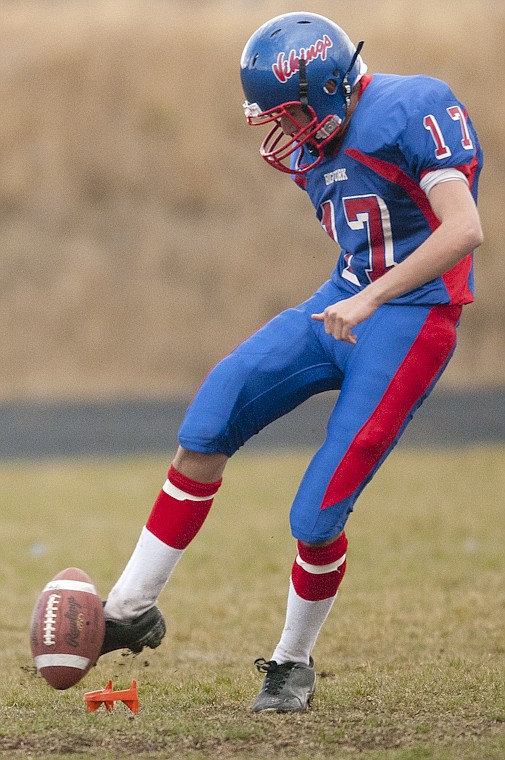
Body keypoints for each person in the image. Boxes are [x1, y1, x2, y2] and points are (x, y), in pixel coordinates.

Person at [99, 12, 483, 713]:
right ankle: (129, 607)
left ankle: (291, 662)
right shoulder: (319, 144)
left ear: (332, 84)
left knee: (315, 513)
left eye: (294, 111)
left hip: (412, 316)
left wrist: (371, 299)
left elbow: (463, 229)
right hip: (344, 299)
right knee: (214, 410)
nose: (288, 130)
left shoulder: (410, 105)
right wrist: (357, 296)